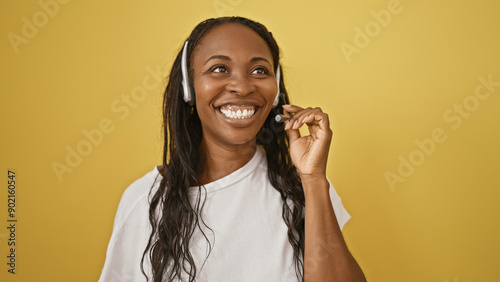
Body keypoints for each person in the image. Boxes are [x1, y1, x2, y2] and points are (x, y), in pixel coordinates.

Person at [99, 16, 366, 282]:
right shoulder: (144, 199)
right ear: (189, 87)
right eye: (219, 68)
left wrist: (313, 179)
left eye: (259, 70)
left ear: (275, 92)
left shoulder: (302, 190)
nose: (242, 86)